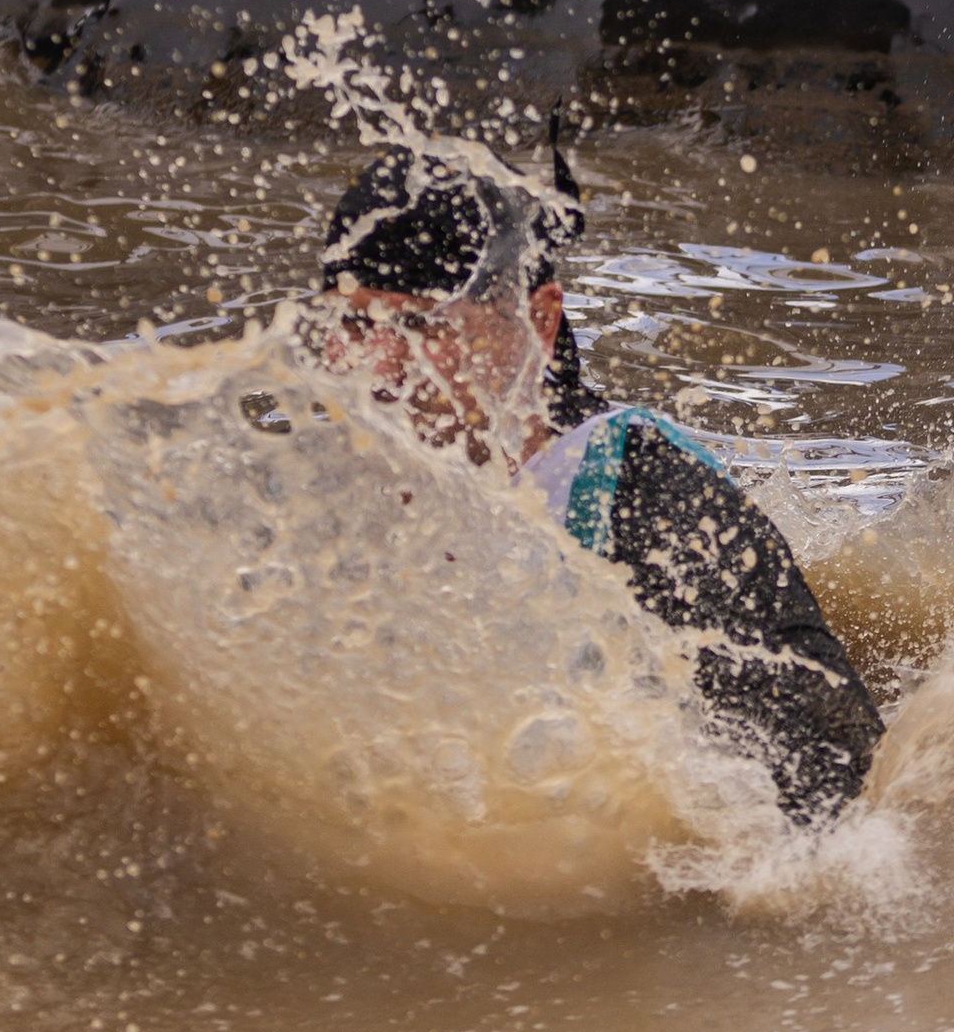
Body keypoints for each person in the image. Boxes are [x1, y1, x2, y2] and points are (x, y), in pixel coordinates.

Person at [311, 147, 881, 825]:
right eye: (352, 322)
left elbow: (844, 795)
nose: (374, 367)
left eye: (417, 325)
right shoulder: (328, 487)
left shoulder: (657, 507)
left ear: (539, 323)